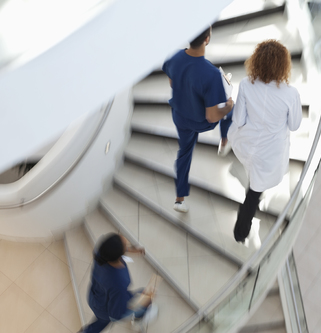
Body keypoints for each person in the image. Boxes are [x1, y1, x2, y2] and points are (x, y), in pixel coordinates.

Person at [228, 40, 302, 244]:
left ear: (256, 61)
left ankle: (243, 223)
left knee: (253, 182)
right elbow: (294, 125)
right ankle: (241, 231)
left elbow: (239, 119)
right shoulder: (291, 94)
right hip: (270, 153)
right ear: (284, 66)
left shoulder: (245, 85)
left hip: (247, 145)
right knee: (253, 193)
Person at [162, 26, 234, 213]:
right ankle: (224, 140)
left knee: (184, 152)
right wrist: (227, 106)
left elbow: (172, 80)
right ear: (207, 39)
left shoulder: (173, 57)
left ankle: (179, 199)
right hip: (201, 122)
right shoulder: (211, 75)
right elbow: (211, 115)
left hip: (180, 117)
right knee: (230, 110)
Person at [80, 233, 156, 333]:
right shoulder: (118, 282)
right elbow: (116, 315)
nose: (127, 243)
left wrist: (132, 250)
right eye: (125, 244)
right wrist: (143, 304)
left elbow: (114, 249)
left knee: (100, 323)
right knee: (144, 299)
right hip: (106, 310)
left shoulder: (100, 252)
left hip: (94, 298)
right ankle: (138, 317)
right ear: (119, 253)